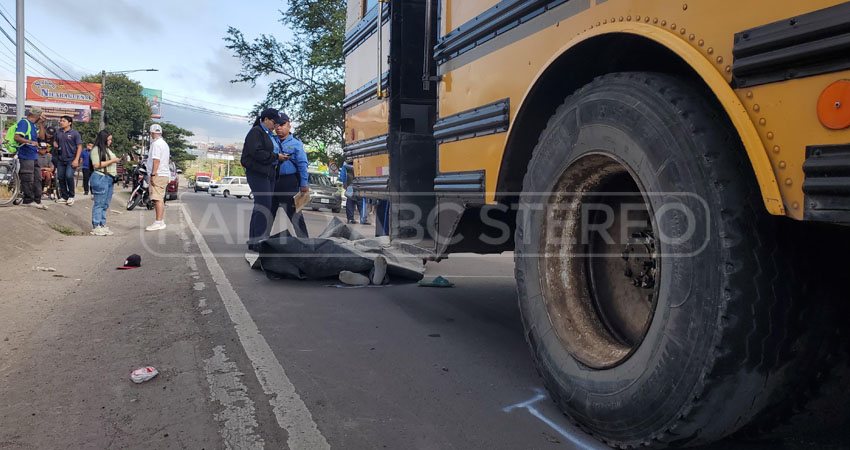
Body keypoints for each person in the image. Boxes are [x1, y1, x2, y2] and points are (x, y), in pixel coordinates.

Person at [241, 108, 289, 251]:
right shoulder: (256, 132)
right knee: (264, 206)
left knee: (260, 206)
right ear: (266, 119)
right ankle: (259, 241)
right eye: (274, 122)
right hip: (258, 173)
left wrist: (280, 157)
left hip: (269, 173)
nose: (276, 126)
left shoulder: (269, 135)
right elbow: (257, 153)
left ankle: (254, 240)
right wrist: (276, 157)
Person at [271, 113, 309, 238]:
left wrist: (304, 184)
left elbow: (302, 165)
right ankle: (260, 242)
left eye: (282, 124)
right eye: (276, 125)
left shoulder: (296, 144)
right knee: (267, 213)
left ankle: (305, 241)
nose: (279, 128)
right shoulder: (270, 140)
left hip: (289, 182)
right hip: (272, 181)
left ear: (289, 126)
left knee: (295, 214)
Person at [12, 106, 47, 209]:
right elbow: (17, 137)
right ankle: (28, 200)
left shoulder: (32, 125)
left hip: (33, 155)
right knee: (28, 178)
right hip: (26, 155)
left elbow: (41, 137)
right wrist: (30, 142)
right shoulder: (24, 123)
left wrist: (41, 125)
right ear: (37, 116)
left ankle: (37, 200)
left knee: (37, 178)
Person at [89, 130, 119, 236]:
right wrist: (112, 161)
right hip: (100, 177)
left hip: (109, 178)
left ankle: (102, 224)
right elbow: (96, 165)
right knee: (99, 203)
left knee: (105, 204)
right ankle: (96, 225)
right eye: (109, 139)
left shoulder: (107, 150)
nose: (110, 141)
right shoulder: (96, 150)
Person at [144, 124, 171, 231]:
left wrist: (153, 175)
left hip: (159, 173)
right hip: (163, 173)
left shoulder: (156, 144)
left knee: (157, 198)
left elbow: (156, 160)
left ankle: (158, 222)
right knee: (159, 198)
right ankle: (160, 220)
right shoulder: (164, 144)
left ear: (151, 133)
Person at [53, 115, 83, 206]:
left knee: (69, 176)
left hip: (71, 159)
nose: (61, 122)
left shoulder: (75, 133)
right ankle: (64, 196)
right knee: (60, 177)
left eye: (64, 121)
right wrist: (55, 145)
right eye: (61, 120)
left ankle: (71, 196)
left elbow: (79, 147)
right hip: (61, 158)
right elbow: (55, 141)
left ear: (69, 123)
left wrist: (76, 160)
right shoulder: (58, 132)